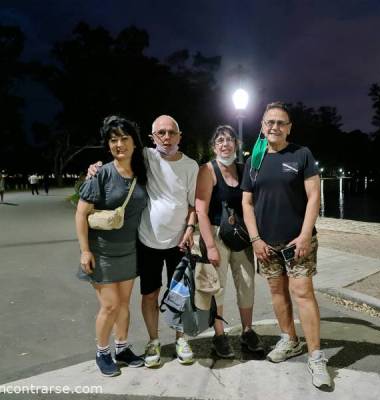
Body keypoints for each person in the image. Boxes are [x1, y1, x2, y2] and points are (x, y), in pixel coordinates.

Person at [88, 115, 198, 366]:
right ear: (152, 138)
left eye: (172, 132)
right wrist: (95, 167)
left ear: (180, 136)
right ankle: (153, 341)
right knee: (149, 294)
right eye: (161, 133)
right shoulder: (145, 157)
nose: (167, 137)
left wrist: (190, 228)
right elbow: (118, 158)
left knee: (179, 295)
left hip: (179, 242)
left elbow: (193, 204)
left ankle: (181, 338)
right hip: (147, 242)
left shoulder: (191, 166)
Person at [241, 102, 332, 390]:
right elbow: (246, 202)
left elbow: (314, 196)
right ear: (262, 126)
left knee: (302, 292)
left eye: (281, 123)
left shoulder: (301, 154)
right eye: (270, 122)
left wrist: (305, 235)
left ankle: (316, 356)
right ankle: (290, 340)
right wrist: (255, 239)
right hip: (266, 243)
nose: (275, 127)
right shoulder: (254, 161)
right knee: (277, 291)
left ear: (289, 127)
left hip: (298, 241)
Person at [75, 116, 148, 377]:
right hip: (102, 252)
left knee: (125, 303)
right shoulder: (102, 173)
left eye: (124, 138)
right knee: (110, 305)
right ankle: (102, 352)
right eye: (114, 140)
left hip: (128, 251)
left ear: (134, 143)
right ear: (108, 145)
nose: (119, 144)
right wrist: (85, 250)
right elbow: (81, 214)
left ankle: (122, 348)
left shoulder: (141, 173)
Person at [195, 125, 264, 358]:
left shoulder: (243, 169)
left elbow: (252, 204)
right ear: (214, 146)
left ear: (236, 144)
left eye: (229, 140)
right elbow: (201, 211)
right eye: (220, 140)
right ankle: (219, 335)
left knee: (247, 283)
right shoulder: (208, 170)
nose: (225, 144)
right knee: (218, 288)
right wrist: (211, 246)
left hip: (241, 235)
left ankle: (247, 330)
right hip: (216, 234)